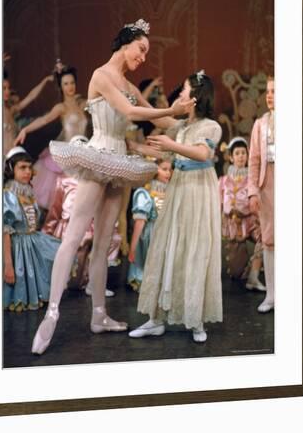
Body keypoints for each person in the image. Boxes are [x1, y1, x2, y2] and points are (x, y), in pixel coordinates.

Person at [30, 19, 195, 354]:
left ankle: (99, 316)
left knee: (104, 244)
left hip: (119, 161)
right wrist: (171, 109)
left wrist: (192, 112)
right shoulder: (101, 76)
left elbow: (160, 119)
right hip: (98, 158)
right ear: (126, 43)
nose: (144, 57)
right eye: (142, 49)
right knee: (75, 236)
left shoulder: (130, 84)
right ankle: (52, 313)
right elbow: (130, 110)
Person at [129, 70, 222, 343]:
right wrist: (136, 147)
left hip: (197, 190)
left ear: (195, 96)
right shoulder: (181, 128)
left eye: (183, 90)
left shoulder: (210, 127)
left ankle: (196, 319)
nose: (180, 94)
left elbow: (203, 153)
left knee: (195, 248)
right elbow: (167, 152)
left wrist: (172, 144)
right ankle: (156, 318)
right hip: (178, 189)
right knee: (168, 246)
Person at [14, 65, 88, 210]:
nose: (70, 86)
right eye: (66, 84)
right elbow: (44, 120)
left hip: (83, 154)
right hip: (66, 155)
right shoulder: (61, 108)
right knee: (65, 201)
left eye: (72, 83)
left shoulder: (82, 104)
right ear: (61, 87)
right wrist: (25, 129)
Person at [3, 147, 61, 311]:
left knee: (59, 252)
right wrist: (8, 264)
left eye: (29, 167)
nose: (27, 171)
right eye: (22, 167)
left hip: (31, 241)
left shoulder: (28, 193)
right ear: (10, 169)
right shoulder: (8, 195)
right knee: (19, 274)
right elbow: (5, 231)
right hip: (16, 247)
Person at [219, 137, 266, 291]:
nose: (241, 156)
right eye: (237, 153)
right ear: (231, 157)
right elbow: (220, 204)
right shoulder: (223, 181)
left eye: (243, 153)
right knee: (236, 273)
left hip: (251, 222)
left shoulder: (252, 180)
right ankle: (243, 267)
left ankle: (253, 276)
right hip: (234, 227)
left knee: (265, 238)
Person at [248, 76, 275, 313]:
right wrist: (253, 191)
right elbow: (254, 161)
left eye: (275, 91)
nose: (269, 95)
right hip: (268, 187)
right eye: (268, 91)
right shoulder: (261, 124)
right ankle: (271, 294)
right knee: (268, 239)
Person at [127, 157, 172, 291]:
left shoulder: (172, 192)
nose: (168, 173)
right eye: (164, 169)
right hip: (151, 234)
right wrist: (133, 248)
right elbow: (140, 222)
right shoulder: (145, 193)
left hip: (167, 233)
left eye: (170, 170)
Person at [3, 73, 54, 156]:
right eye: (3, 88)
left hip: (13, 155)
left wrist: (45, 81)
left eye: (8, 88)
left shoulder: (11, 110)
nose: (7, 91)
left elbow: (31, 97)